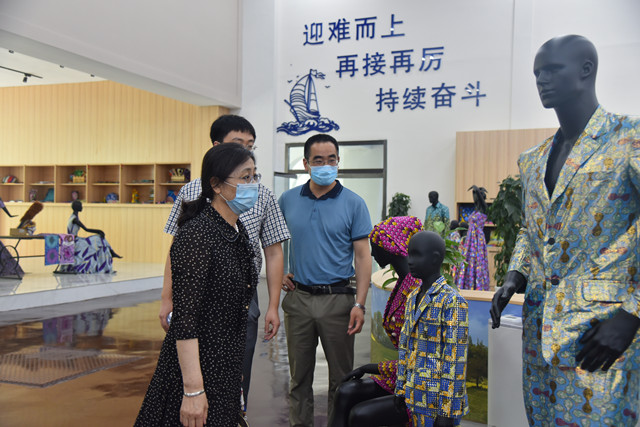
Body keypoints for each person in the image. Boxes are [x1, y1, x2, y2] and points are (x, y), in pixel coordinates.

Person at [490, 35, 640, 425]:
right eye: (537, 72)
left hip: (603, 334)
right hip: (539, 332)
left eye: (553, 70)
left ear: (586, 70)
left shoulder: (629, 139)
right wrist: (515, 275)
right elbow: (531, 229)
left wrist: (633, 315)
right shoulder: (533, 159)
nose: (541, 80)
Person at [160, 114, 290, 410]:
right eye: (238, 144)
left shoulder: (259, 198)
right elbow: (175, 251)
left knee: (235, 374)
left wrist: (273, 305)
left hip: (243, 296)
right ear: (217, 147)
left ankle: (233, 411)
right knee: (195, 369)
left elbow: (273, 251)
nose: (246, 151)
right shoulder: (192, 199)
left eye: (250, 146)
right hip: (199, 297)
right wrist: (167, 297)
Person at [136, 143, 259, 426]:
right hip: (196, 372)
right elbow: (185, 319)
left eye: (255, 176)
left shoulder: (235, 232)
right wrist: (192, 389)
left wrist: (233, 369)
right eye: (245, 177)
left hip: (223, 368)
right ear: (215, 184)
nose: (253, 185)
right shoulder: (197, 235)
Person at [279, 133, 372, 426]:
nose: (325, 165)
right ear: (306, 164)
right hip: (299, 300)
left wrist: (360, 303)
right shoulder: (288, 200)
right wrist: (280, 272)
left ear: (338, 161)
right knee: (299, 379)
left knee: (342, 381)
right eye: (318, 160)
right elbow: (274, 244)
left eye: (331, 160)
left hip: (339, 301)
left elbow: (363, 257)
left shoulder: (354, 203)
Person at [331, 216, 423, 427]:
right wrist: (368, 367)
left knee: (360, 414)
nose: (372, 253)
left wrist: (370, 367)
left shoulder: (416, 290)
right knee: (344, 392)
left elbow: (418, 360)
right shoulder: (403, 284)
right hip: (401, 375)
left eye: (376, 247)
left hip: (416, 383)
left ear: (390, 246)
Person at [397, 231, 469, 426]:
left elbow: (455, 360)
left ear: (435, 258)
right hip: (414, 395)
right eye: (409, 254)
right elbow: (405, 346)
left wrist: (447, 412)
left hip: (437, 403)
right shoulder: (412, 297)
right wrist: (400, 389)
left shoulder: (452, 301)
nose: (410, 261)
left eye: (417, 255)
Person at [55, 200, 121, 274]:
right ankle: (110, 253)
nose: (82, 207)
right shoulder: (74, 219)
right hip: (74, 241)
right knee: (98, 240)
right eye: (81, 206)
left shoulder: (73, 217)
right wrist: (99, 231)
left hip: (75, 239)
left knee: (98, 240)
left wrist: (99, 232)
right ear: (77, 207)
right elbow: (86, 229)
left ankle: (109, 255)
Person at [455, 185, 490, 291]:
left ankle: (478, 286)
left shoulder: (484, 209)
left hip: (478, 239)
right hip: (470, 239)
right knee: (469, 260)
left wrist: (476, 189)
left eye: (475, 195)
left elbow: (483, 203)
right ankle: (468, 285)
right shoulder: (475, 210)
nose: (473, 197)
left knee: (478, 261)